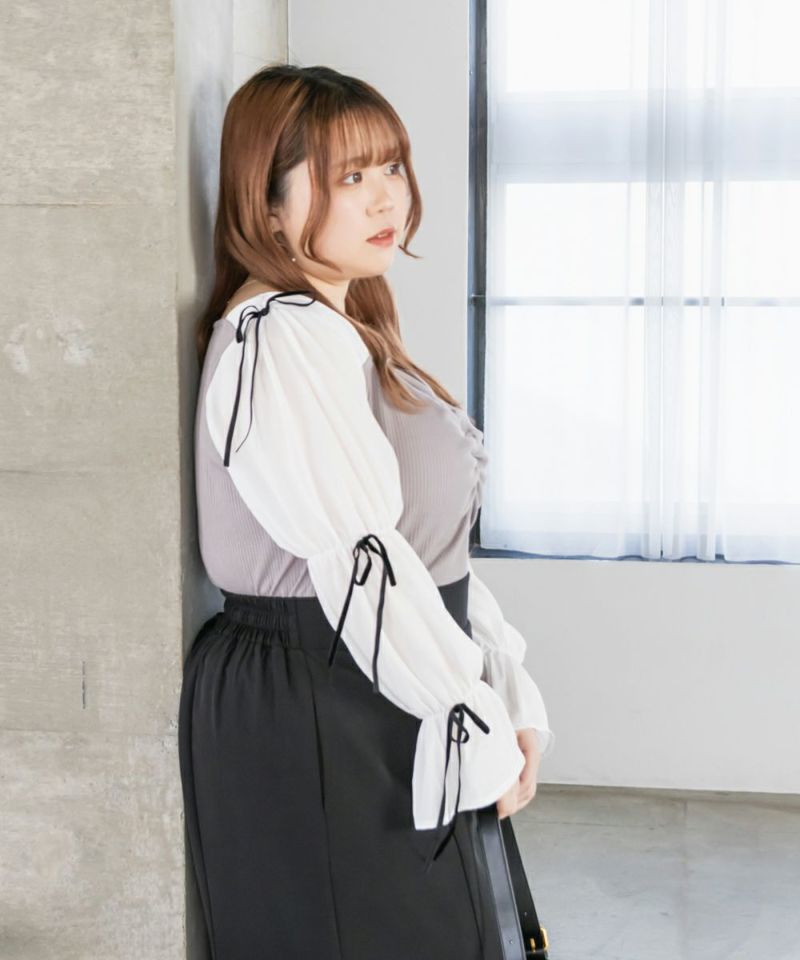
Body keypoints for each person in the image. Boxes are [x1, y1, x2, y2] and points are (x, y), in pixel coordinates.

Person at [178, 62, 554, 960]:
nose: (389, 196)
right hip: (330, 690)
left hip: (392, 676)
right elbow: (360, 561)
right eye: (350, 176)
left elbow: (425, 552)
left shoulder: (343, 327)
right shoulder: (279, 337)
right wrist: (469, 710)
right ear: (269, 206)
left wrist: (501, 688)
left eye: (391, 167)